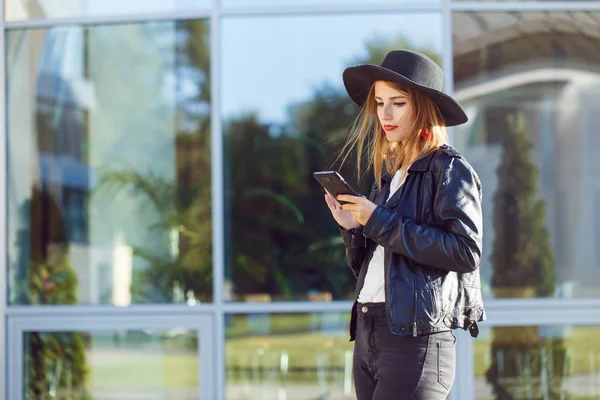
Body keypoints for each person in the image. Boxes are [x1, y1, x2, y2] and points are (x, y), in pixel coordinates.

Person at [324, 49, 485, 399]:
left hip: (416, 340)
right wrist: (355, 228)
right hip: (370, 331)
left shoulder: (449, 170)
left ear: (423, 108)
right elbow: (383, 268)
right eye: (380, 103)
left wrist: (377, 219)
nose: (385, 113)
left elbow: (465, 251)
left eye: (397, 102)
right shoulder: (391, 178)